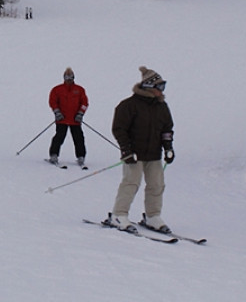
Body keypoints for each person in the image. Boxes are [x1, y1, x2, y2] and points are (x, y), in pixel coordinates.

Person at [105, 66, 175, 234]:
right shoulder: (129, 105)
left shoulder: (162, 107)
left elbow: (167, 129)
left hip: (154, 155)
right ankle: (118, 215)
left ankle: (153, 216)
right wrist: (126, 150)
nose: (162, 91)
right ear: (149, 87)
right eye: (160, 87)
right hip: (134, 155)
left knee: (157, 185)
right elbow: (119, 129)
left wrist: (168, 148)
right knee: (131, 183)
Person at [47, 67, 89, 167]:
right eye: (67, 77)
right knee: (59, 137)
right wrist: (57, 112)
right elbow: (53, 102)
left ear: (74, 77)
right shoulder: (57, 89)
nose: (69, 79)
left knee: (78, 138)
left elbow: (84, 103)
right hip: (62, 119)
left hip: (75, 120)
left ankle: (81, 156)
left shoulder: (79, 90)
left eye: (70, 77)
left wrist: (80, 114)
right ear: (64, 77)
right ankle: (54, 154)